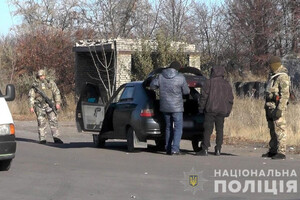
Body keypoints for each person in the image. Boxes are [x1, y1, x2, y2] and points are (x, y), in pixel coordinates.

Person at [150, 61, 190, 155]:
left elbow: (152, 86)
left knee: (168, 127)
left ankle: (168, 149)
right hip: (177, 107)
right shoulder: (180, 77)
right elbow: (186, 91)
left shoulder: (160, 76)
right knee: (178, 127)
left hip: (165, 106)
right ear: (178, 68)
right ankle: (175, 149)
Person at [197, 66, 234, 156]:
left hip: (210, 109)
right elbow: (230, 99)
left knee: (207, 129)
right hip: (222, 110)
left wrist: (201, 108)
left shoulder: (209, 82)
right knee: (220, 129)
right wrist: (228, 110)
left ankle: (205, 148)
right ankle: (218, 149)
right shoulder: (226, 84)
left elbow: (203, 97)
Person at [263, 56, 290, 160]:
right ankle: (273, 150)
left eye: (270, 65)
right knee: (272, 129)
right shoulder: (273, 76)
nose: (269, 68)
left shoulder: (282, 77)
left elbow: (285, 95)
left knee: (280, 129)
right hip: (270, 106)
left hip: (277, 107)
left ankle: (281, 151)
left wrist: (280, 109)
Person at [28, 69, 63, 144]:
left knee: (53, 120)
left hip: (49, 104)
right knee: (41, 122)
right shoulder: (35, 85)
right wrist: (31, 106)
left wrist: (57, 103)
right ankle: (42, 138)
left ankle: (56, 137)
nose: (41, 77)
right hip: (39, 105)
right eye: (40, 76)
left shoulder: (50, 83)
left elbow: (56, 92)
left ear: (45, 75)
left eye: (42, 75)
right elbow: (31, 96)